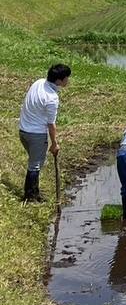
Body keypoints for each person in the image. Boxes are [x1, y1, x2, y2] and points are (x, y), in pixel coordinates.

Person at [17, 63, 71, 203]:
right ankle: (31, 196)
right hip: (36, 135)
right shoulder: (52, 98)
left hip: (23, 131)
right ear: (59, 80)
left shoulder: (39, 82)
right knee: (35, 165)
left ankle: (33, 193)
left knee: (35, 162)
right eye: (67, 78)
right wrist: (54, 144)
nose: (68, 81)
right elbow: (51, 125)